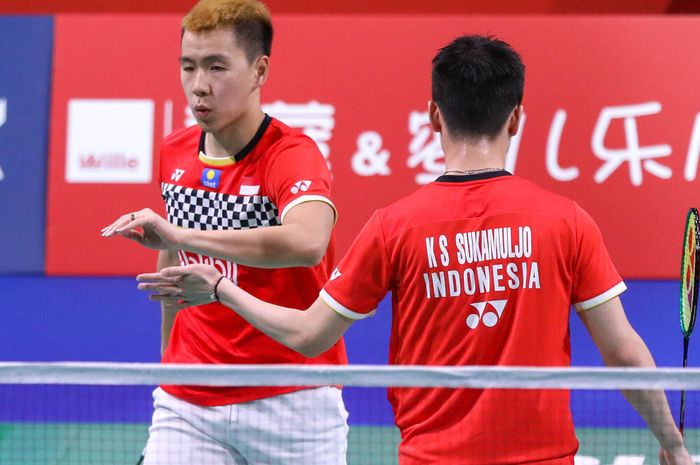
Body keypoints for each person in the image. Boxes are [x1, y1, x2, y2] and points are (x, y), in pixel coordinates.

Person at [135, 35, 695, 465]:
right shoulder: (567, 221)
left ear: (433, 116)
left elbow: (308, 335)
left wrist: (220, 288)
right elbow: (622, 352)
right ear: (517, 118)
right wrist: (671, 443)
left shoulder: (393, 227)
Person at [101, 1, 348, 464]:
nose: (199, 87)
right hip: (190, 398)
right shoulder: (175, 152)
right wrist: (168, 364)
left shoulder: (291, 155)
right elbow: (172, 268)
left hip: (290, 396)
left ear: (259, 70)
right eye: (189, 66)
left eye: (217, 67)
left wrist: (181, 236)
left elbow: (308, 242)